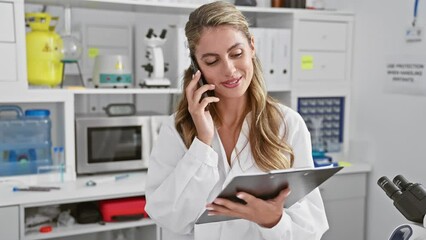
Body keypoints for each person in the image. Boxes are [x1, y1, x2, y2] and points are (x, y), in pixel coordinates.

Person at [145, 1, 329, 239]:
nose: (229, 70)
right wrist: (202, 143)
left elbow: (310, 229)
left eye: (236, 54)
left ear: (252, 46)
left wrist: (273, 221)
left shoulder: (287, 124)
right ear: (196, 65)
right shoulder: (177, 128)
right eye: (212, 61)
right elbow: (168, 217)